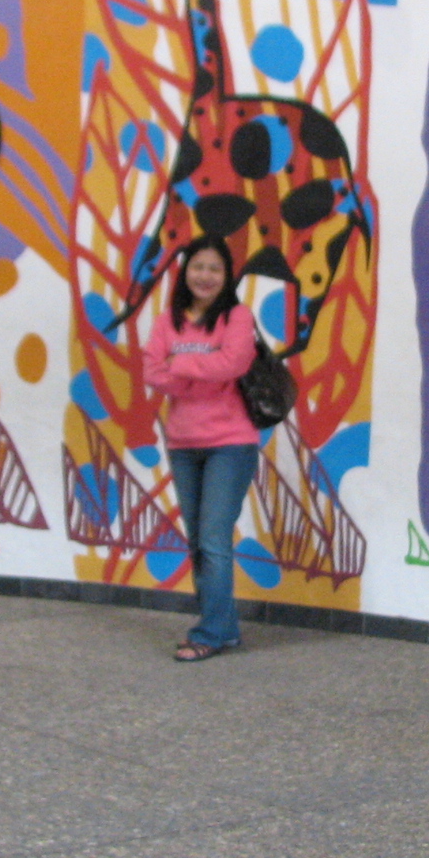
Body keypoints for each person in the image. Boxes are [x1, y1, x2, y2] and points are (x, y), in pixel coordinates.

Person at [141, 235, 260, 661]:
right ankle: (224, 628)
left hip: (231, 443)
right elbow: (152, 372)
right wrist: (203, 373)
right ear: (185, 271)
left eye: (214, 268)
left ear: (226, 276)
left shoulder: (237, 317)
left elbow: (234, 363)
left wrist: (180, 365)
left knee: (212, 540)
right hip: (183, 443)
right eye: (198, 266)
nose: (205, 276)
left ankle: (209, 633)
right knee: (198, 543)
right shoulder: (167, 321)